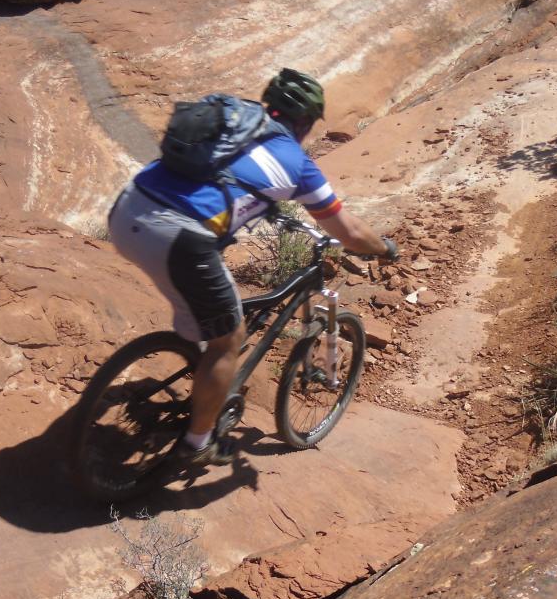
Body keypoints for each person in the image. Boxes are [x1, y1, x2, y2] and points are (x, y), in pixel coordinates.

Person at [107, 68, 398, 464]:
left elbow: (227, 181)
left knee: (209, 308)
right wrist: (384, 249)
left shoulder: (233, 125)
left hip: (126, 208)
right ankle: (199, 443)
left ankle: (199, 365)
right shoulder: (298, 164)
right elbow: (349, 232)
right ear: (307, 122)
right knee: (229, 338)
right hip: (175, 237)